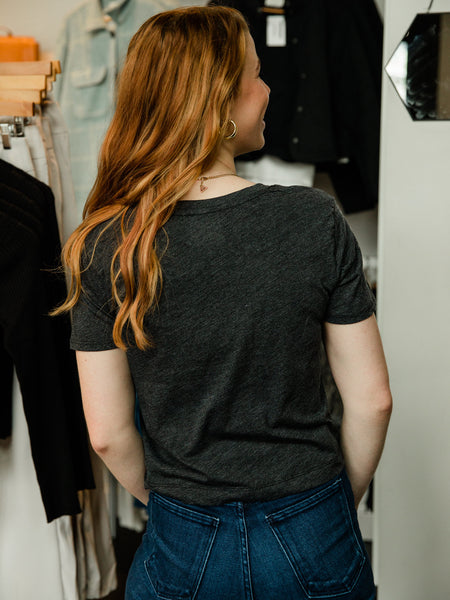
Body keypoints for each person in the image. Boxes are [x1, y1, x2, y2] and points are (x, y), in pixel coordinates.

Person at [56, 6, 392, 599]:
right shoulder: (312, 219)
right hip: (312, 521)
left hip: (184, 532)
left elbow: (106, 433)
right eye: (256, 76)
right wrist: (333, 508)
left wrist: (176, 508)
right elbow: (373, 402)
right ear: (218, 103)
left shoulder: (105, 241)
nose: (269, 89)